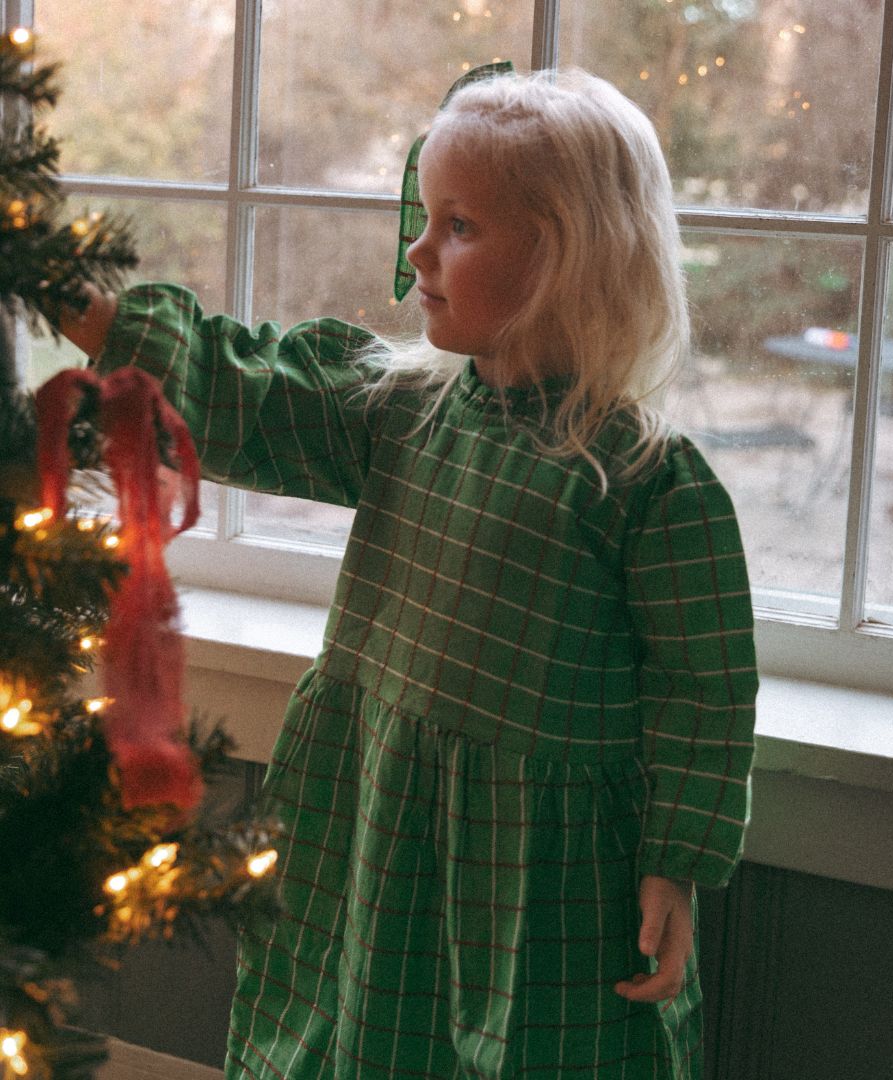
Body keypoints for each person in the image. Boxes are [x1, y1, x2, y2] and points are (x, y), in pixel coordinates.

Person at [62, 69, 757, 1080]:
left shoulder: (648, 484)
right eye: (424, 219)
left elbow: (704, 691)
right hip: (377, 820)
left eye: (459, 227)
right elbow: (241, 387)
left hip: (541, 876)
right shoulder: (401, 412)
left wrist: (677, 860)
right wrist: (76, 300)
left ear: (568, 257)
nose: (418, 253)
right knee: (355, 1030)